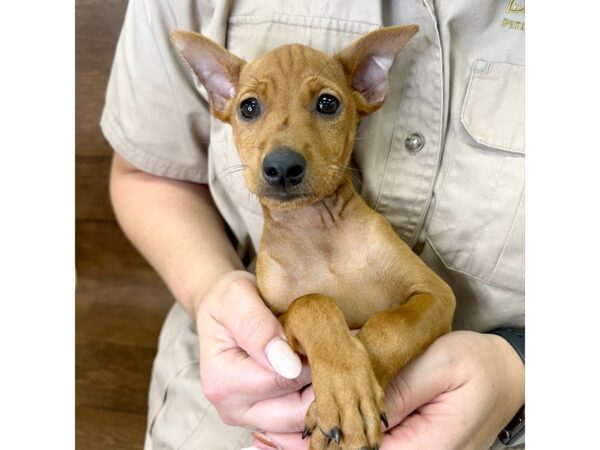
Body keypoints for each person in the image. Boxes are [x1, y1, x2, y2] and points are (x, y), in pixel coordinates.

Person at [103, 0, 525, 449]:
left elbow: (435, 300)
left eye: (326, 104)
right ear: (220, 94)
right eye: (249, 109)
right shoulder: (274, 266)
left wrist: (371, 366)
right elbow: (146, 177)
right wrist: (213, 290)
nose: (284, 153)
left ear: (367, 85)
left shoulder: (369, 235)